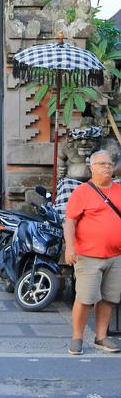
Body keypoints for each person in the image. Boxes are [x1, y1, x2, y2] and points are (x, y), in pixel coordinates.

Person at [65, 150, 121, 355]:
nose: (107, 167)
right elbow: (70, 222)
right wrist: (70, 248)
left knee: (109, 298)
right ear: (92, 167)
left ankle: (101, 336)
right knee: (85, 299)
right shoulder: (82, 192)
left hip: (116, 256)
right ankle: (77, 337)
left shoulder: (119, 190)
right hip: (88, 256)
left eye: (110, 163)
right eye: (102, 163)